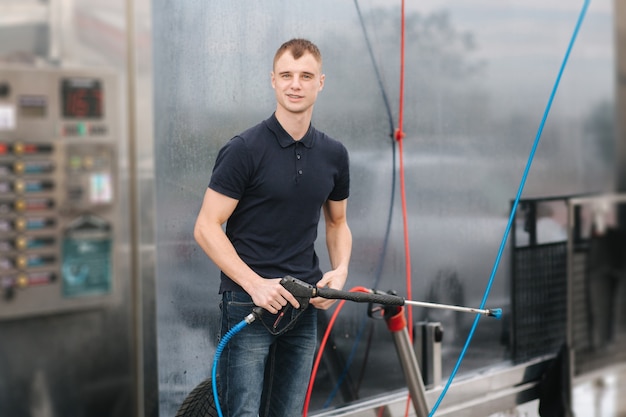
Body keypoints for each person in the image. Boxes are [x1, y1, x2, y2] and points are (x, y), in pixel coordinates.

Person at [193, 38, 352, 417]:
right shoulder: (245, 149)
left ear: (321, 82)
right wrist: (255, 284)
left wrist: (340, 270)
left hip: (303, 304)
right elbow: (206, 227)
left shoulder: (334, 154)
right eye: (287, 75)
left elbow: (338, 222)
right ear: (273, 81)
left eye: (305, 76)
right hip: (248, 304)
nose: (295, 84)